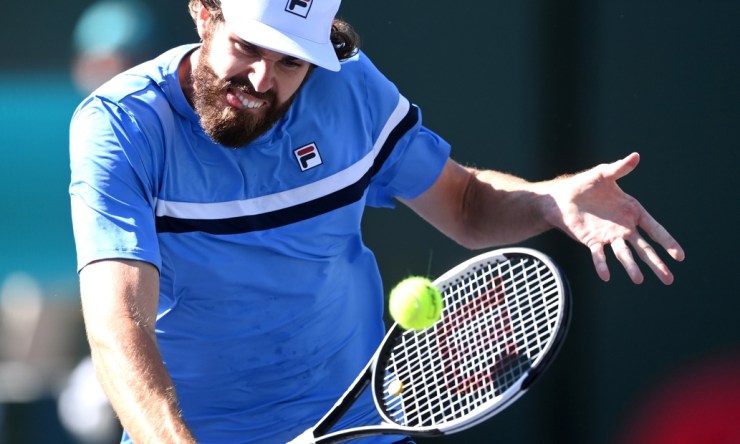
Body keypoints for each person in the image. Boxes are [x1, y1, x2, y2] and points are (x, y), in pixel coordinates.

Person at [68, 0, 685, 442]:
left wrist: (548, 199)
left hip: (359, 427)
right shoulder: (121, 127)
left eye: (290, 62)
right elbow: (119, 324)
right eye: (248, 48)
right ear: (204, 13)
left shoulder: (350, 89)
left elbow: (465, 205)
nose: (262, 80)